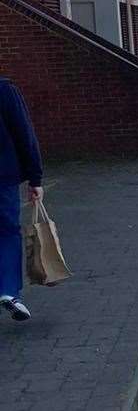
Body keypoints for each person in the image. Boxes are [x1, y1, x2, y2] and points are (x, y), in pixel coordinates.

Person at [0, 77, 42, 322]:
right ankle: (8, 291)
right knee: (7, 232)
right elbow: (24, 134)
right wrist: (35, 178)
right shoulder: (5, 91)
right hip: (3, 178)